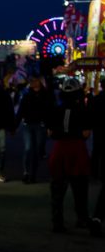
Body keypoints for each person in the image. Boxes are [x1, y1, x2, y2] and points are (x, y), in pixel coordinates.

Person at [47, 77, 91, 233]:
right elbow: (86, 133)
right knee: (80, 188)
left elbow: (51, 132)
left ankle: (57, 221)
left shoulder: (56, 109)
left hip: (60, 150)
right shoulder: (83, 110)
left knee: (58, 189)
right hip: (77, 150)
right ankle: (82, 218)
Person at [15, 75, 52, 183]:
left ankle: (33, 173)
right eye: (32, 81)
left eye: (35, 81)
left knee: (37, 150)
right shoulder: (27, 96)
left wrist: (50, 126)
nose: (33, 83)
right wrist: (15, 126)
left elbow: (50, 112)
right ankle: (26, 172)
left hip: (40, 125)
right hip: (28, 124)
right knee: (28, 148)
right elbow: (21, 111)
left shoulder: (46, 95)